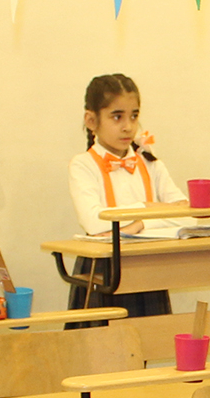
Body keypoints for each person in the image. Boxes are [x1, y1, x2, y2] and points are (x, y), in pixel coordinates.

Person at [67, 72, 178, 317]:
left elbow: (186, 213)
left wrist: (140, 224)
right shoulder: (83, 165)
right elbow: (95, 222)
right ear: (91, 120)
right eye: (117, 117)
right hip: (102, 269)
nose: (128, 126)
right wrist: (148, 210)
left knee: (150, 336)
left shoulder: (150, 163)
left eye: (134, 116)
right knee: (102, 338)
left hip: (147, 265)